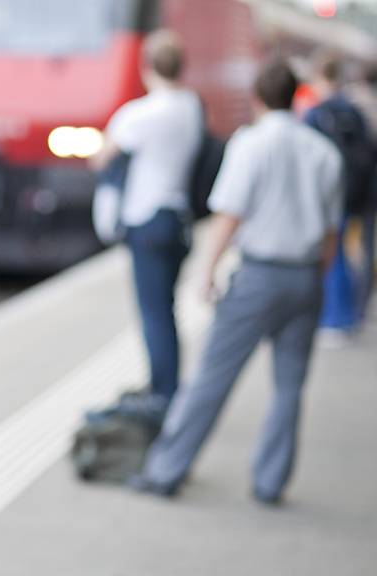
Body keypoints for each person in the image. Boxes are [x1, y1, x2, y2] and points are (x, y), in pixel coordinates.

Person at [130, 60, 343, 504]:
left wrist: (207, 271)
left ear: (258, 98)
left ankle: (165, 471)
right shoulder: (324, 152)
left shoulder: (251, 142)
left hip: (259, 276)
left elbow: (230, 213)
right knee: (289, 387)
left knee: (211, 377)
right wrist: (315, 277)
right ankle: (270, 484)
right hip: (306, 277)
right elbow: (330, 232)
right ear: (295, 96)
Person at [91, 30, 202, 405]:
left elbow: (102, 158)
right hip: (178, 222)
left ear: (146, 66)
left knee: (152, 312)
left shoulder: (139, 114)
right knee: (166, 309)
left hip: (147, 222)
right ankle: (166, 384)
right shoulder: (191, 108)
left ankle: (163, 395)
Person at [303, 51, 372, 342]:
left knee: (334, 257)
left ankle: (335, 318)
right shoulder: (353, 110)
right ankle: (353, 313)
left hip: (328, 197)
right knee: (351, 253)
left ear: (320, 76)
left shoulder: (316, 113)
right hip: (357, 194)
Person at [345, 62, 377, 321]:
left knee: (347, 245)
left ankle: (350, 306)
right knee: (367, 246)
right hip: (369, 186)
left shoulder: (353, 101)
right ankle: (362, 305)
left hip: (354, 187)